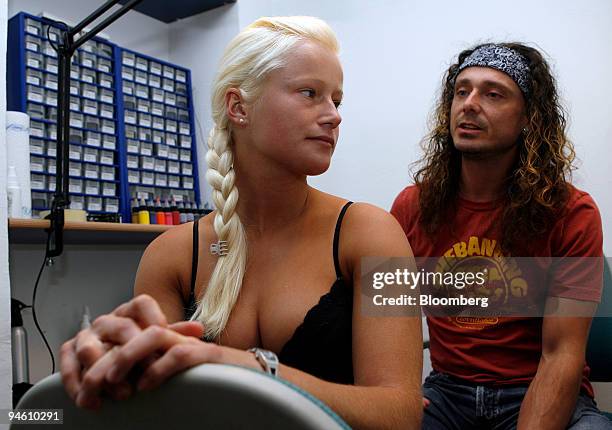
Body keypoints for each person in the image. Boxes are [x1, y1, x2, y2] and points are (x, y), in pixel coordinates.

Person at [60, 16, 423, 429]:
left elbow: (400, 414)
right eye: (310, 93)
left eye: (336, 101)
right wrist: (114, 362)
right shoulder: (173, 254)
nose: (333, 116)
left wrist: (250, 368)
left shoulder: (372, 234)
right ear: (239, 107)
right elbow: (155, 406)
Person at [391, 43, 611, 429]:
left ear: (529, 117)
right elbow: (388, 319)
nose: (470, 104)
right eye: (462, 91)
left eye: (493, 94)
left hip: (535, 384)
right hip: (447, 392)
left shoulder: (572, 213)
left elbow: (561, 354)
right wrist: (397, 396)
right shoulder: (412, 206)